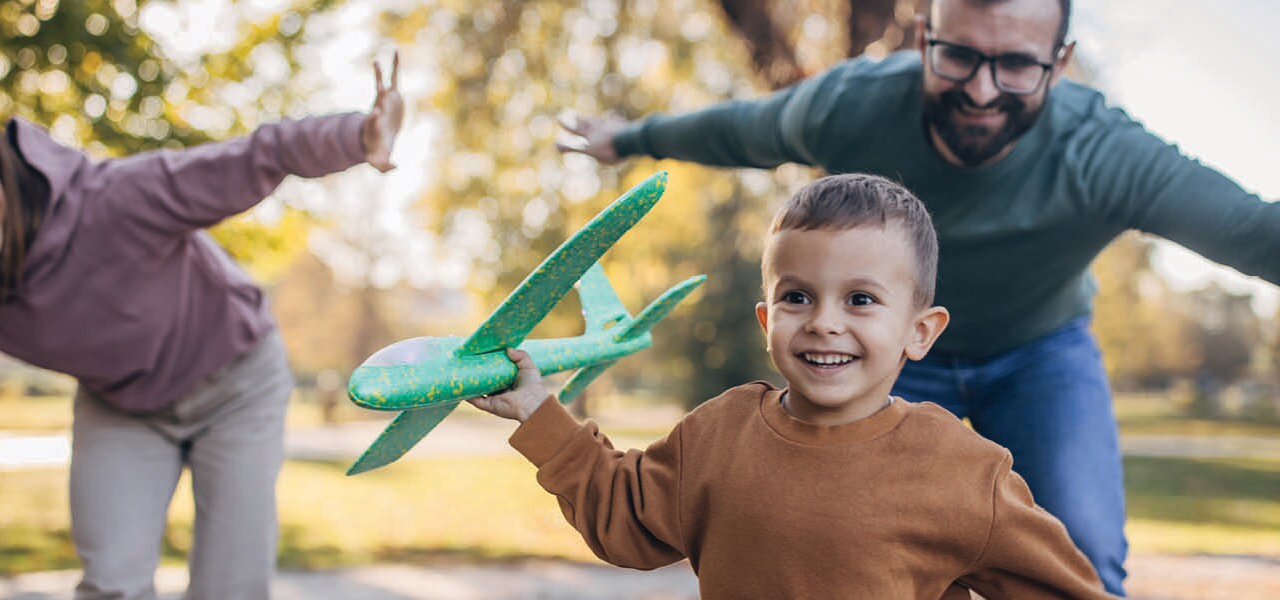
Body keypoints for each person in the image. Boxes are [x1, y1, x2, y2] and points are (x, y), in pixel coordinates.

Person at [554, 0, 1280, 592]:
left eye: (1018, 64)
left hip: (1040, 354)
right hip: (881, 355)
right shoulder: (854, 105)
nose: (982, 90)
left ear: (1059, 63)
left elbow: (1265, 234)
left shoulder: (1102, 153)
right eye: (958, 55)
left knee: (1086, 555)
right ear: (924, 35)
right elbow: (743, 127)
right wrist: (627, 139)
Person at [0, 55, 405, 599]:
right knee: (112, 581)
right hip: (122, 406)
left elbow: (255, 156)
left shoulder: (114, 200)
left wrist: (359, 136)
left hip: (238, 384)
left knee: (231, 585)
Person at [470, 173, 1116, 599]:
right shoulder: (720, 432)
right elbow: (625, 517)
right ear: (767, 320)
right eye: (797, 296)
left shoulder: (965, 473)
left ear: (919, 331)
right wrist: (539, 414)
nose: (824, 322)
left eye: (861, 299)